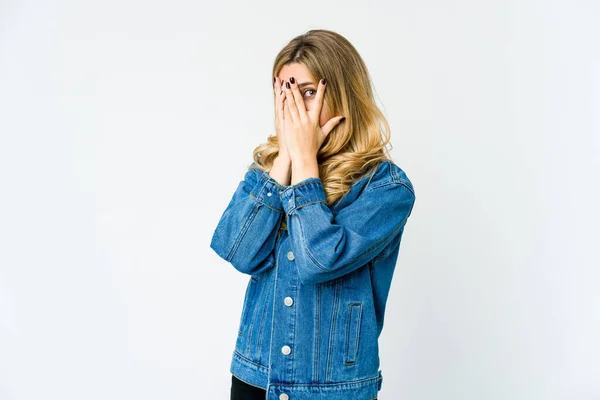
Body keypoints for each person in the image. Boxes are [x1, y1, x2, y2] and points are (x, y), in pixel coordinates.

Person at [210, 29, 416, 400]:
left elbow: (319, 261)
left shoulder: (385, 188)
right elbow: (236, 250)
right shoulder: (270, 171)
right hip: (256, 380)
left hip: (333, 389)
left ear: (342, 94)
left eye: (307, 93)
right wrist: (286, 159)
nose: (294, 108)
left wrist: (305, 162)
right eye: (284, 92)